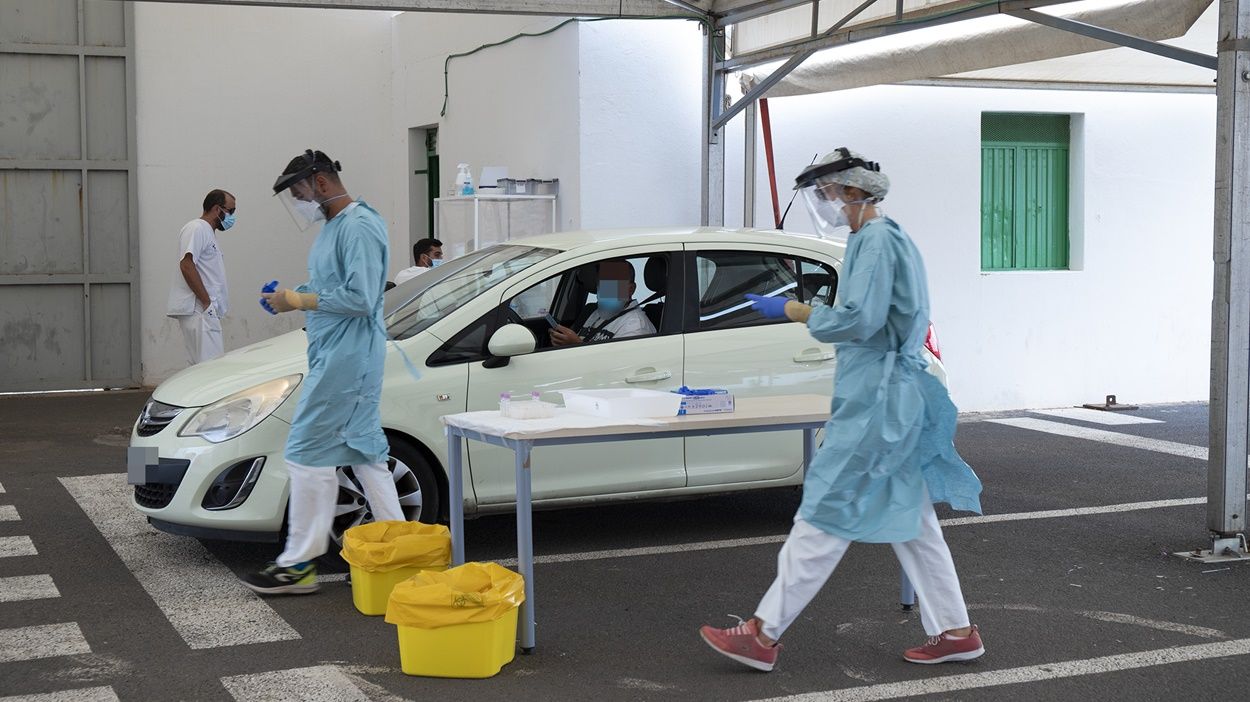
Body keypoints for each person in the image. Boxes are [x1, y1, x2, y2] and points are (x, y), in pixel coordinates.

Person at [698, 148, 984, 671]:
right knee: (915, 523)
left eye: (828, 193)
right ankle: (956, 631)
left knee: (825, 511)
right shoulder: (884, 237)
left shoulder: (873, 241)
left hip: (876, 403)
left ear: (853, 191)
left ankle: (761, 633)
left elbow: (861, 320)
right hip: (892, 397)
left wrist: (792, 308)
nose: (825, 203)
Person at [242, 150, 405, 595]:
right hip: (339, 353)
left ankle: (298, 563)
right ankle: (402, 549)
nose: (298, 201)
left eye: (298, 192)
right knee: (366, 453)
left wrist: (298, 300)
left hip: (348, 358)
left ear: (321, 182)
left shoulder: (359, 225)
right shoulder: (335, 227)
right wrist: (294, 294)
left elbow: (361, 296)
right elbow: (332, 287)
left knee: (305, 450)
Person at [166, 189, 235, 364]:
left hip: (204, 311)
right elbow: (187, 264)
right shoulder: (197, 228)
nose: (232, 217)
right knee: (211, 370)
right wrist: (206, 302)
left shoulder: (207, 232)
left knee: (200, 369)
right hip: (200, 311)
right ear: (217, 209)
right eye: (231, 211)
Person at [549, 260, 655, 345]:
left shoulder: (636, 325)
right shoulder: (597, 312)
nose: (606, 289)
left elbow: (616, 366)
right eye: (602, 284)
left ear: (631, 289)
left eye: (613, 285)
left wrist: (576, 344)